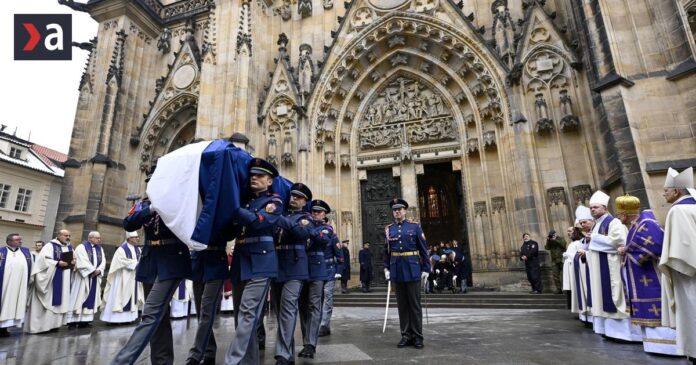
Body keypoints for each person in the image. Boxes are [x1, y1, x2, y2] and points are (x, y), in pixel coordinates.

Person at [111, 163, 193, 365]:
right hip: (150, 260)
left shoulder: (178, 199)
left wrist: (163, 204)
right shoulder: (144, 204)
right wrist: (151, 207)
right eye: (150, 182)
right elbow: (129, 223)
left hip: (172, 258)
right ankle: (162, 361)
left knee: (150, 313)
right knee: (159, 316)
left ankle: (121, 361)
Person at [224, 158, 283, 365]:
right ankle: (249, 361)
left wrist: (233, 207)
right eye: (252, 175)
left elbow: (258, 223)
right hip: (241, 259)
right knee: (242, 318)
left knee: (248, 314)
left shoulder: (274, 202)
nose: (254, 178)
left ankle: (232, 361)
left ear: (269, 181)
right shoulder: (246, 202)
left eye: (259, 175)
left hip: (261, 261)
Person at [616, 194, 680, 355]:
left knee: (657, 307)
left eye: (619, 214)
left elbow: (655, 245)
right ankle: (654, 345)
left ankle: (668, 345)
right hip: (641, 276)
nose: (619, 218)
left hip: (651, 275)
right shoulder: (636, 225)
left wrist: (627, 250)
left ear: (624, 214)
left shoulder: (646, 223)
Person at [586, 190, 638, 341]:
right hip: (599, 267)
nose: (592, 210)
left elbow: (620, 241)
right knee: (602, 297)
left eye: (596, 207)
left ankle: (624, 334)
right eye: (591, 208)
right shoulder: (596, 225)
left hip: (611, 266)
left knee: (615, 295)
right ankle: (608, 331)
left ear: (605, 208)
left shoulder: (614, 222)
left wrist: (594, 238)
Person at [272, 182, 313, 365]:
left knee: (288, 308)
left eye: (298, 197)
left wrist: (278, 217)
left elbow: (301, 233)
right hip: (278, 265)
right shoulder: (284, 215)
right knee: (279, 311)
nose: (294, 199)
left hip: (296, 266)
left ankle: (283, 354)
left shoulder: (306, 218)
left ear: (305, 202)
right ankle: (287, 351)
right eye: (293, 195)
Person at [659, 167, 696, 361]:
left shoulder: (678, 211)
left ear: (677, 191)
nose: (663, 193)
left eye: (666, 189)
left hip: (688, 276)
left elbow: (683, 251)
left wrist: (668, 265)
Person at [384, 198, 431, 349]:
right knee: (402, 305)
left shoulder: (415, 227)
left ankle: (417, 336)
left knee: (415, 305)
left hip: (412, 269)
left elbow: (424, 249)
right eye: (395, 210)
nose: (397, 211)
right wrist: (386, 268)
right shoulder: (389, 229)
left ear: (405, 211)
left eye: (400, 209)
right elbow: (387, 252)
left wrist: (426, 269)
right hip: (396, 270)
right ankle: (406, 334)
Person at [186, 230, 230, 365]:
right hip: (198, 260)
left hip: (216, 259)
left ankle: (195, 354)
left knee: (206, 310)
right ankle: (209, 351)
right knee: (201, 312)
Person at [298, 199, 333, 359]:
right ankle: (306, 341)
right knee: (303, 307)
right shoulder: (306, 226)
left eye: (319, 212)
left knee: (314, 306)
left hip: (318, 270)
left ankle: (311, 344)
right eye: (313, 212)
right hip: (302, 269)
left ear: (324, 214)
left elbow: (323, 239)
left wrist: (309, 227)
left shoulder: (327, 228)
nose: (316, 214)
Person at [25, 229, 74, 334]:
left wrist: (74, 262)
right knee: (47, 301)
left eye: (69, 235)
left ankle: (54, 325)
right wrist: (57, 263)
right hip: (50, 278)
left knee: (59, 301)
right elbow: (42, 261)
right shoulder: (49, 246)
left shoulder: (69, 247)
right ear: (59, 235)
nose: (68, 237)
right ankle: (40, 327)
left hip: (64, 278)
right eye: (66, 235)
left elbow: (73, 259)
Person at [101, 231, 143, 324]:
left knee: (132, 296)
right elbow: (120, 261)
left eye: (138, 237)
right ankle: (116, 319)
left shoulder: (138, 250)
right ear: (129, 239)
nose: (137, 239)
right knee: (120, 296)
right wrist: (135, 264)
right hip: (122, 277)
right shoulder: (121, 249)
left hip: (134, 277)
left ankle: (129, 318)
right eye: (135, 237)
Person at [67, 231, 106, 328]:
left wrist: (99, 270)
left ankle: (85, 320)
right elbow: (81, 260)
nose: (99, 240)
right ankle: (72, 321)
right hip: (83, 278)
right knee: (79, 297)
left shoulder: (100, 249)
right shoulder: (81, 247)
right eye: (97, 238)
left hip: (94, 278)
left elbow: (103, 261)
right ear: (90, 238)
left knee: (90, 298)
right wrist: (92, 270)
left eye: (99, 238)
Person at [1, 234, 31, 337]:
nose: (20, 241)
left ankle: (5, 328)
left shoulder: (26, 252)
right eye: (17, 240)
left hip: (19, 286)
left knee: (14, 304)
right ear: (9, 241)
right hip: (4, 285)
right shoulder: (2, 252)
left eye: (21, 239)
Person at [318, 225, 343, 337]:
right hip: (316, 270)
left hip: (329, 270)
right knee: (317, 298)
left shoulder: (332, 236)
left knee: (328, 298)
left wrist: (339, 270)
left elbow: (339, 255)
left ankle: (324, 325)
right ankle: (319, 325)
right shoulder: (313, 234)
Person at [569, 206, 593, 324]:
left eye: (585, 222)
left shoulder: (596, 233)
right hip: (583, 267)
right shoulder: (584, 239)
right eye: (581, 223)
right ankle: (585, 315)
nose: (583, 225)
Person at [545, 229, 567, 294]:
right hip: (554, 260)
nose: (552, 236)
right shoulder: (550, 240)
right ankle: (558, 289)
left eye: (553, 234)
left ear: (555, 234)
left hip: (561, 259)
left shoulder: (561, 238)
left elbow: (563, 245)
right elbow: (547, 248)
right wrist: (548, 240)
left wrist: (555, 240)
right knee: (555, 275)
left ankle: (567, 289)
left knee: (565, 274)